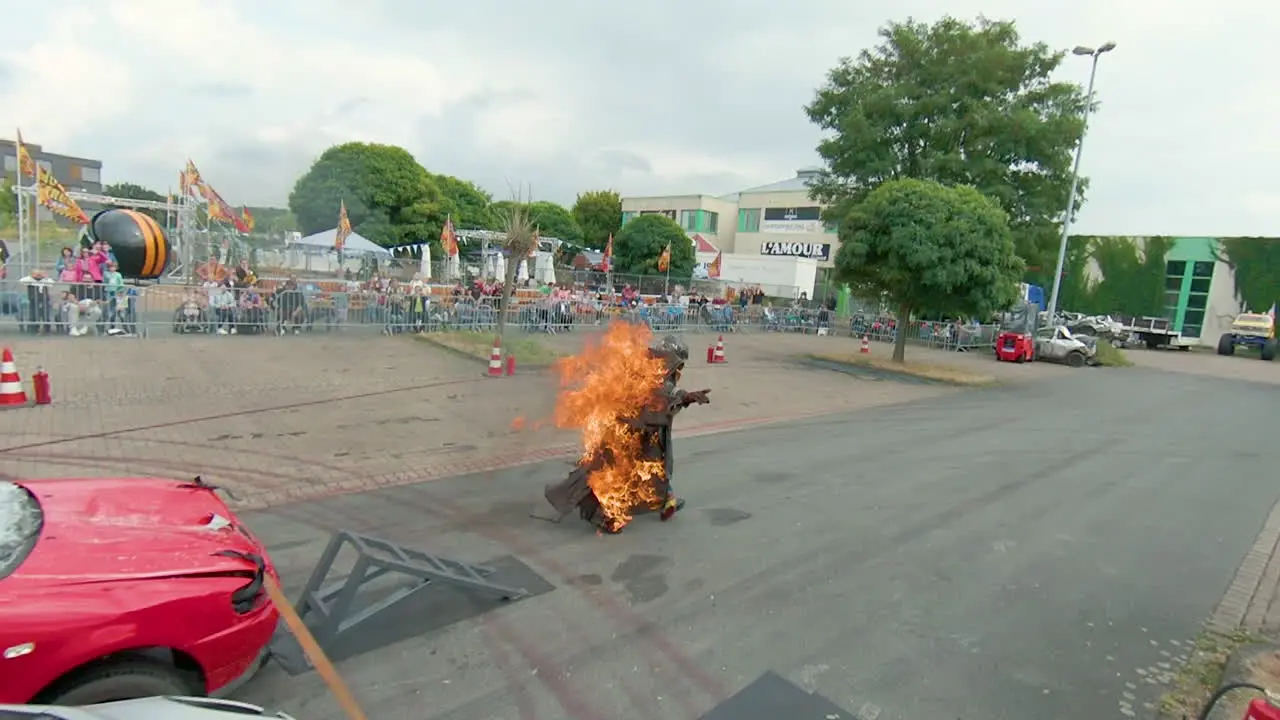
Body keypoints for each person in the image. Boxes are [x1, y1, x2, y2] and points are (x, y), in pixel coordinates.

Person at [543, 335, 711, 533]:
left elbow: (664, 394)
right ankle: (608, 516)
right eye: (680, 363)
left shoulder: (651, 366)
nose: (680, 368)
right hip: (629, 431)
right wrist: (685, 397)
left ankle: (664, 501)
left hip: (645, 432)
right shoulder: (653, 370)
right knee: (609, 471)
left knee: (651, 469)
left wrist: (682, 398)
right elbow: (662, 393)